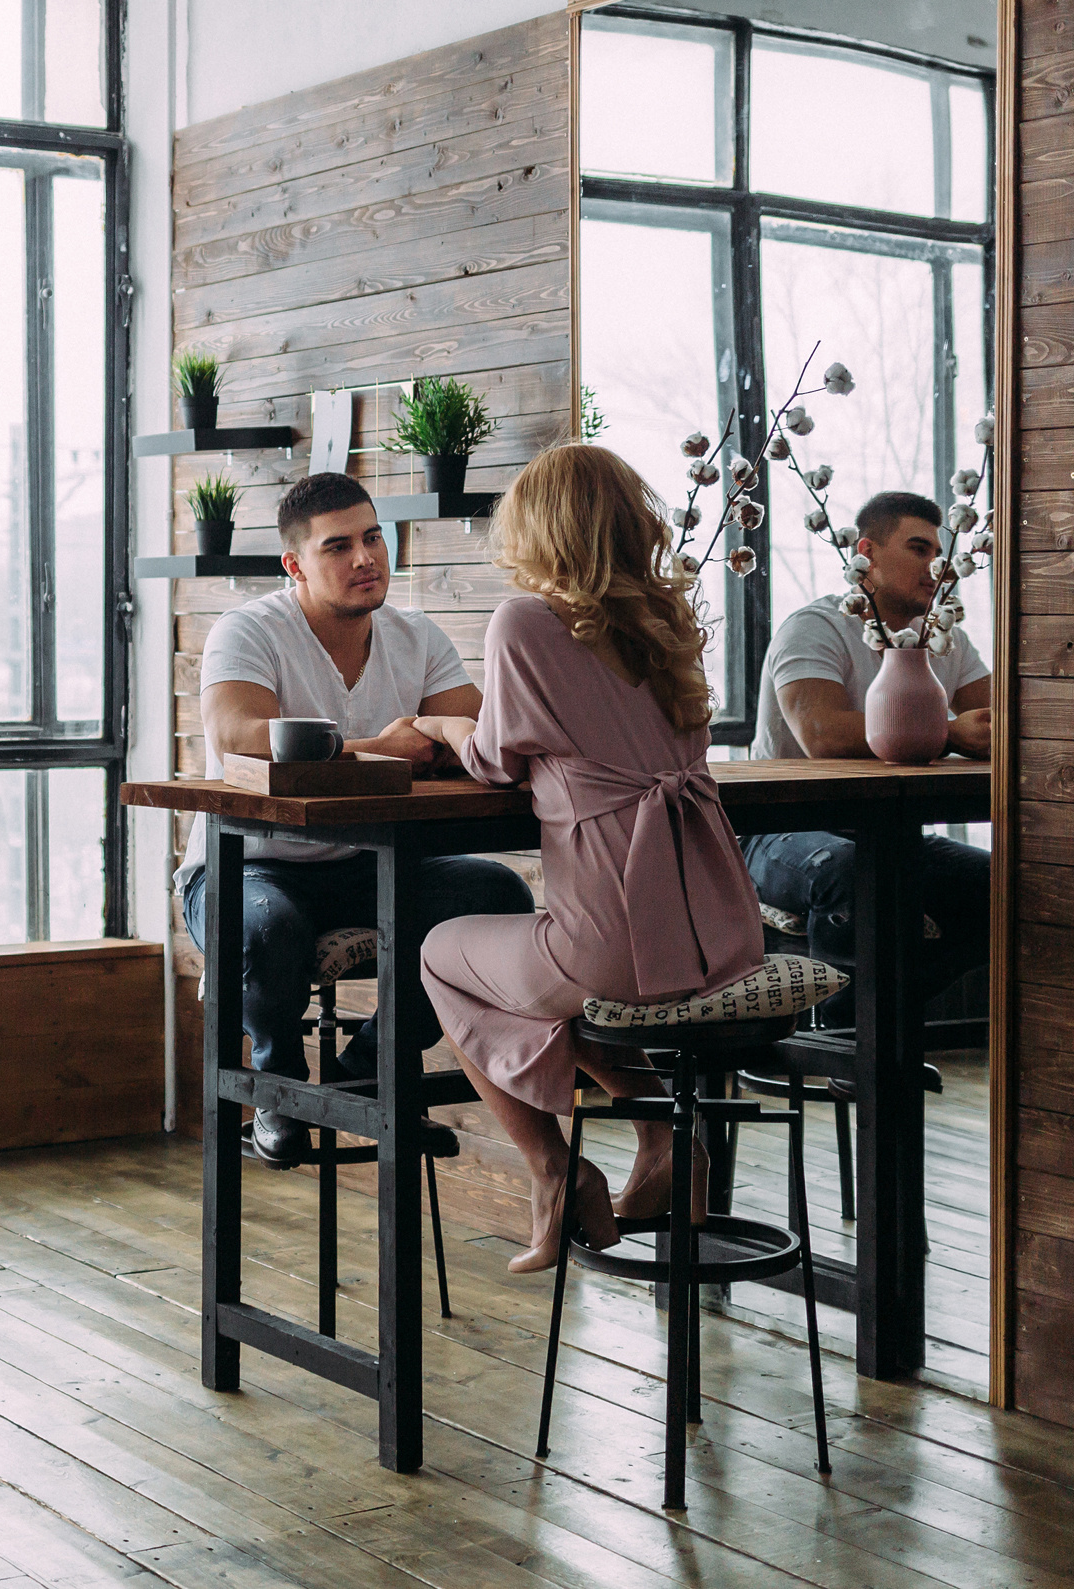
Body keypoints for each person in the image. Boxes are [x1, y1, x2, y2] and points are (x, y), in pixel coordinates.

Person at [406, 444, 767, 1273]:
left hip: (618, 948)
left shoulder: (527, 621)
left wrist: (443, 727)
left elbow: (495, 759)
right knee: (566, 984)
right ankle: (667, 1139)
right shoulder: (667, 624)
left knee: (442, 953)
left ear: (542, 527)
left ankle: (554, 1171)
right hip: (719, 933)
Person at [179, 471, 535, 1163]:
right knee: (267, 926)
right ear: (295, 565)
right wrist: (380, 748)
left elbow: (477, 731)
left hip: (368, 862)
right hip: (247, 866)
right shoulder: (249, 630)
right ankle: (279, 1093)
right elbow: (238, 734)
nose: (365, 558)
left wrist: (441, 737)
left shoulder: (415, 635)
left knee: (497, 897)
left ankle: (365, 1069)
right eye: (338, 546)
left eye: (373, 538)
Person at [743, 490, 991, 1017]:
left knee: (1008, 883)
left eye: (942, 553)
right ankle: (852, 1048)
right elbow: (823, 735)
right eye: (920, 549)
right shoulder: (816, 627)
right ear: (866, 554)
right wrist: (949, 733)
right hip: (778, 831)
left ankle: (881, 1026)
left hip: (890, 834)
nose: (937, 566)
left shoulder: (948, 640)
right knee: (849, 872)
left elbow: (997, 723)